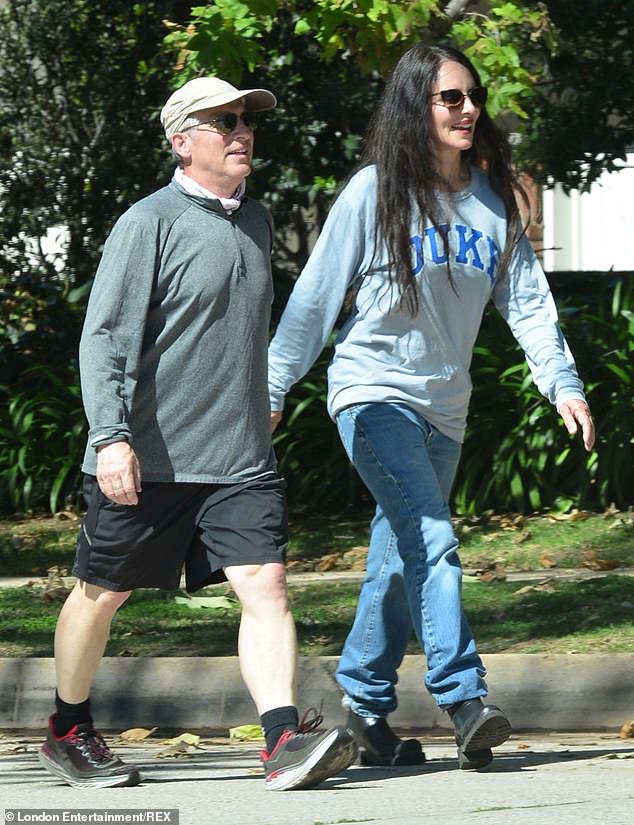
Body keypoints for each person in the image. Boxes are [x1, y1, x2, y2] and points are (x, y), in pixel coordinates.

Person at [268, 44, 595, 770]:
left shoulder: (490, 198)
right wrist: (271, 388)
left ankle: (360, 710)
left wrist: (562, 383)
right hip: (372, 393)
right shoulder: (374, 191)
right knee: (433, 537)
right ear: (416, 106)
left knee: (397, 558)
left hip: (445, 409)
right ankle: (464, 695)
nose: (469, 109)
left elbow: (527, 303)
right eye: (451, 98)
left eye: (472, 97)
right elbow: (316, 298)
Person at [38, 76, 356, 792]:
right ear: (182, 141)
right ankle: (67, 727)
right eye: (225, 122)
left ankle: (281, 740)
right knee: (102, 591)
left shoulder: (258, 220)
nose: (243, 132)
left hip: (240, 458)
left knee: (267, 584)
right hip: (146, 456)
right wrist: (111, 436)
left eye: (246, 121)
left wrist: (260, 394)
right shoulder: (148, 222)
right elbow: (105, 338)